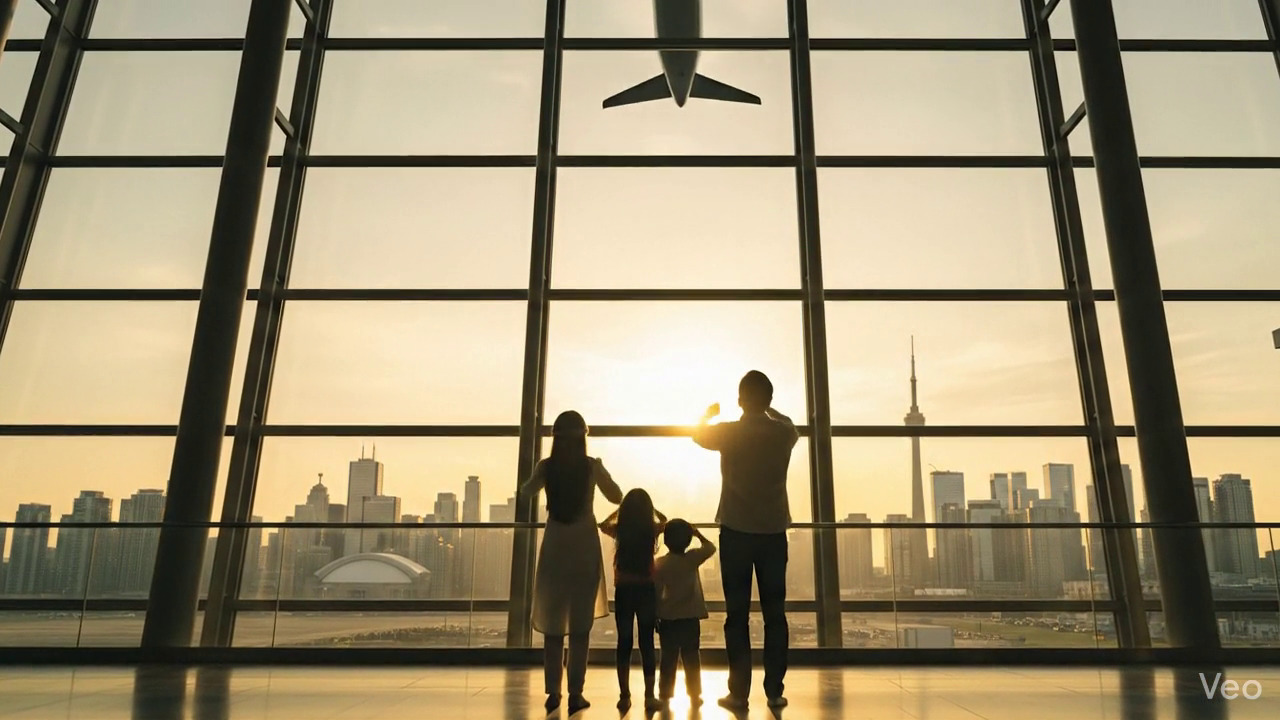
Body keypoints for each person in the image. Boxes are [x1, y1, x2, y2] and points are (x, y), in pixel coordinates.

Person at [693, 370, 799, 712]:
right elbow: (791, 424)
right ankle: (775, 691)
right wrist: (772, 411)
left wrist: (707, 415)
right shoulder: (782, 433)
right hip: (772, 533)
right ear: (769, 401)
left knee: (736, 616)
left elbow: (697, 435)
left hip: (736, 533)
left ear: (740, 400)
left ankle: (738, 693)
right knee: (775, 615)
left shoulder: (729, 432)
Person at [522, 410, 623, 715]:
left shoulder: (547, 467)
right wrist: (601, 470)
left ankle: (553, 692)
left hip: (555, 546)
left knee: (554, 625)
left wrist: (541, 476)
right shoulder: (590, 468)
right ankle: (576, 693)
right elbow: (617, 496)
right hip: (583, 547)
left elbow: (526, 493)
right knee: (580, 626)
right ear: (583, 438)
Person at [598, 489, 667, 713]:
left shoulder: (621, 530)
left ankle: (624, 695)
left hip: (624, 592)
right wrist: (653, 511)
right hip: (646, 591)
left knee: (624, 643)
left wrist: (619, 511)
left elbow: (602, 525)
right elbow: (664, 521)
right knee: (647, 643)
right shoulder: (651, 530)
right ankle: (649, 696)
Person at [653, 519, 716, 709]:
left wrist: (655, 615)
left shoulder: (661, 564)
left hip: (668, 619)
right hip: (690, 618)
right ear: (688, 541)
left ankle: (665, 695)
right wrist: (697, 533)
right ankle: (695, 696)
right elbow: (710, 547)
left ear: (666, 541)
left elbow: (656, 593)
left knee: (668, 659)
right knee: (691, 658)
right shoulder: (692, 559)